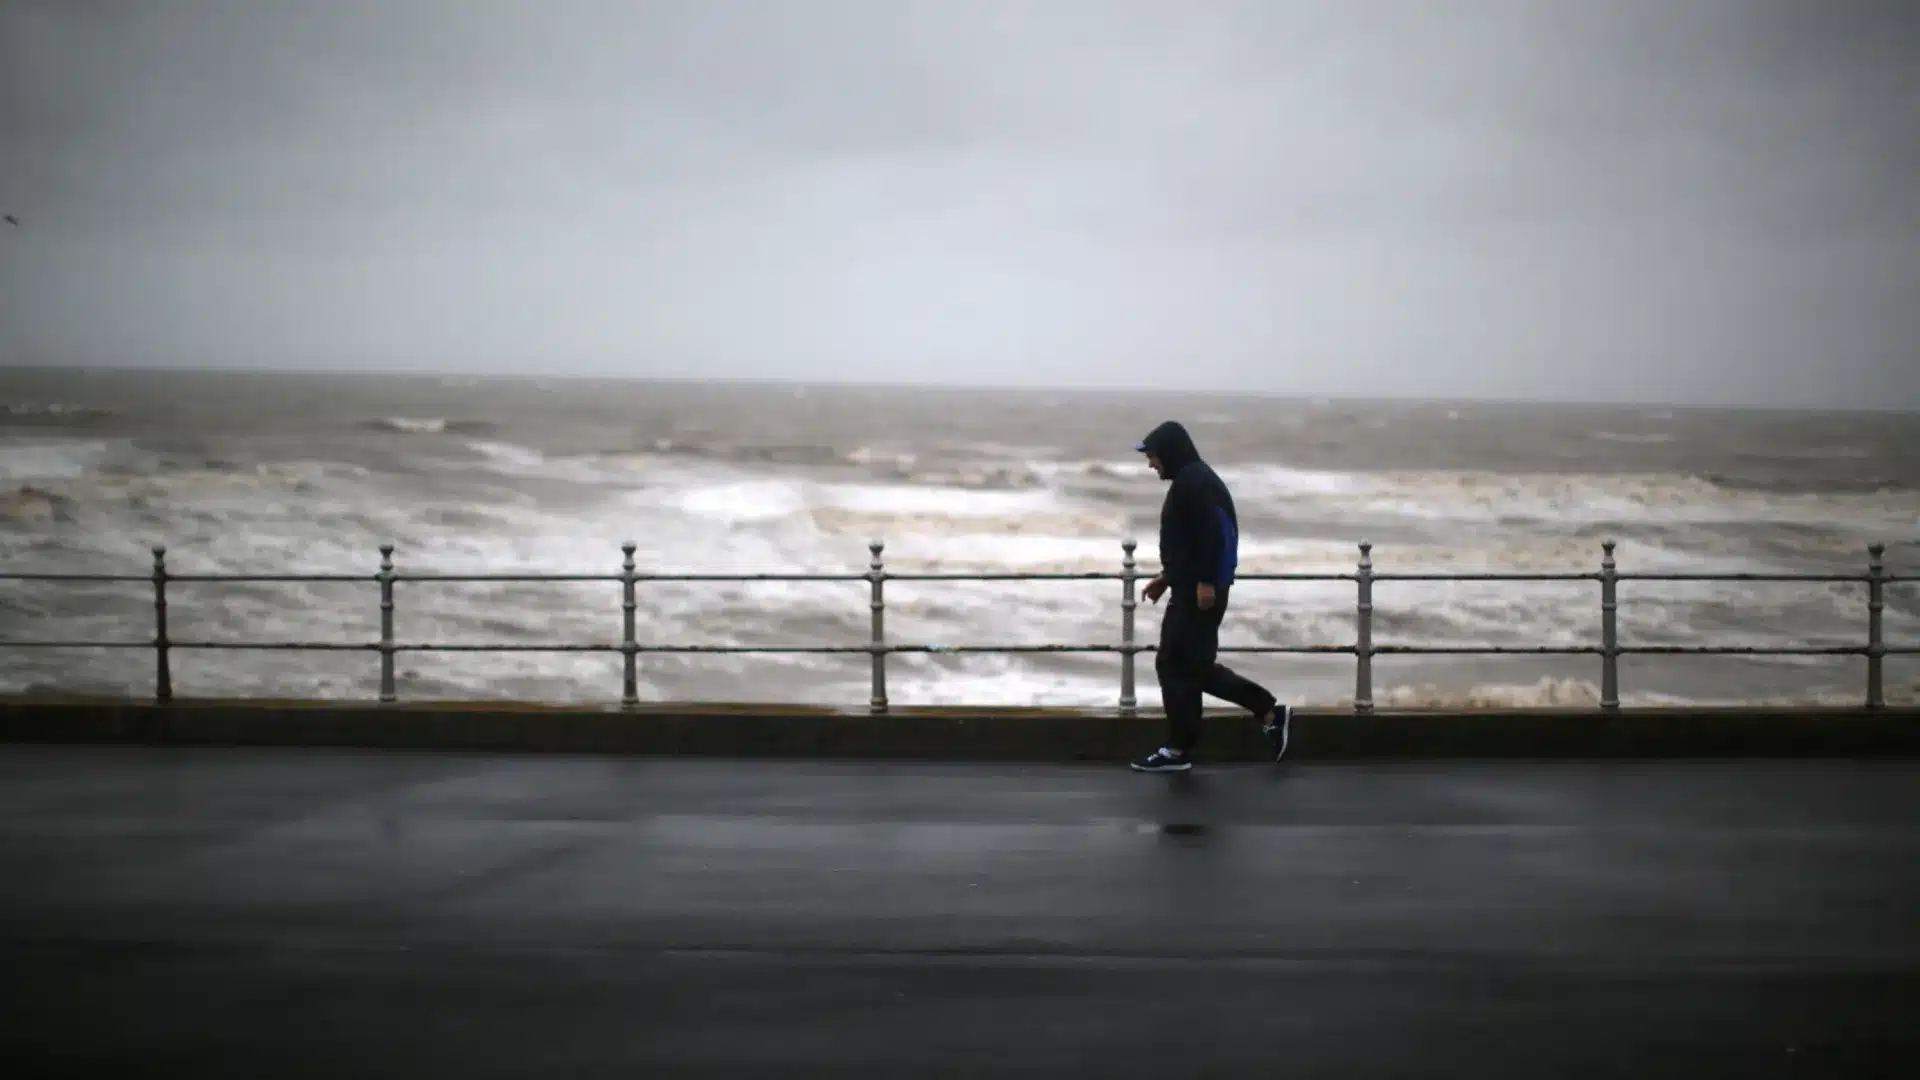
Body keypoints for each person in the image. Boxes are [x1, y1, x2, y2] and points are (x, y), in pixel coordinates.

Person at [1130, 420, 1290, 772]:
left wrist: (1205, 582)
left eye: (1153, 457)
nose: (1151, 464)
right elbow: (1190, 542)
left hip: (1199, 593)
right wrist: (1168, 577)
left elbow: (1216, 537)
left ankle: (1178, 750)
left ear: (1169, 453)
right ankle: (1267, 711)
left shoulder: (1196, 483)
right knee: (1192, 667)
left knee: (1173, 664)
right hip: (1192, 587)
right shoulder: (1192, 480)